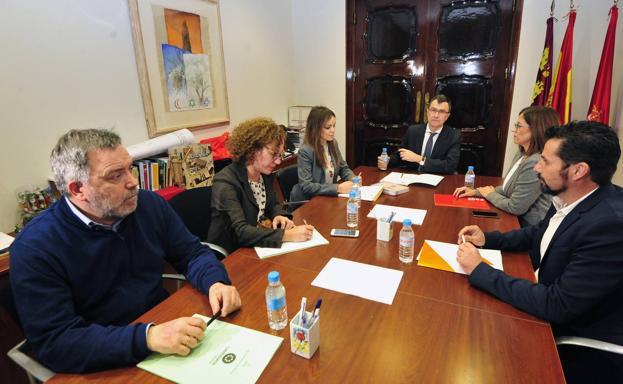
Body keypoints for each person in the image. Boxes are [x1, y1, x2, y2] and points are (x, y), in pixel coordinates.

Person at [9, 129, 242, 373]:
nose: (133, 182)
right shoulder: (35, 247)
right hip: (103, 358)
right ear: (78, 189)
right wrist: (148, 338)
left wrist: (215, 282)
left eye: (129, 168)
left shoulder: (147, 204)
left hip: (162, 324)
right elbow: (56, 342)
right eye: (115, 176)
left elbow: (192, 253)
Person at [456, 121, 623, 382]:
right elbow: (538, 234)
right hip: (551, 310)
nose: (536, 167)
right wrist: (486, 239)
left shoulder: (609, 225)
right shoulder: (572, 198)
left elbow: (557, 305)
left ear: (578, 170)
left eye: (545, 161)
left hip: (582, 343)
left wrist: (480, 270)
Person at [208, 117, 314, 253]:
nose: (278, 162)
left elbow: (273, 205)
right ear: (253, 150)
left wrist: (279, 216)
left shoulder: (264, 173)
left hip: (257, 247)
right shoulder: (226, 182)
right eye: (274, 155)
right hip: (231, 255)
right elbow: (241, 232)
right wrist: (286, 235)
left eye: (280, 155)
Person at [453, 106, 559, 226]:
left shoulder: (535, 162)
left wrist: (488, 194)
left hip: (527, 227)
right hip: (512, 218)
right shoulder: (522, 153)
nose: (513, 130)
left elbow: (515, 207)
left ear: (536, 129)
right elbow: (507, 190)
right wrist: (476, 192)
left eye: (518, 126)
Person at [378, 94, 462, 174]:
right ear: (428, 111)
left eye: (441, 112)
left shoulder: (454, 136)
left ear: (447, 116)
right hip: (412, 177)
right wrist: (387, 161)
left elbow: (450, 166)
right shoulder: (413, 131)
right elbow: (400, 155)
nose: (436, 115)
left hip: (438, 179)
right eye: (433, 110)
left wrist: (419, 159)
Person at [290, 106, 357, 202]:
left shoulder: (333, 143)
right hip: (310, 202)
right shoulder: (306, 151)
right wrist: (337, 188)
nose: (333, 130)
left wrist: (353, 179)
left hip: (328, 198)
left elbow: (343, 168)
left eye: (334, 126)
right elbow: (306, 186)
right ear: (316, 128)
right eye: (328, 127)